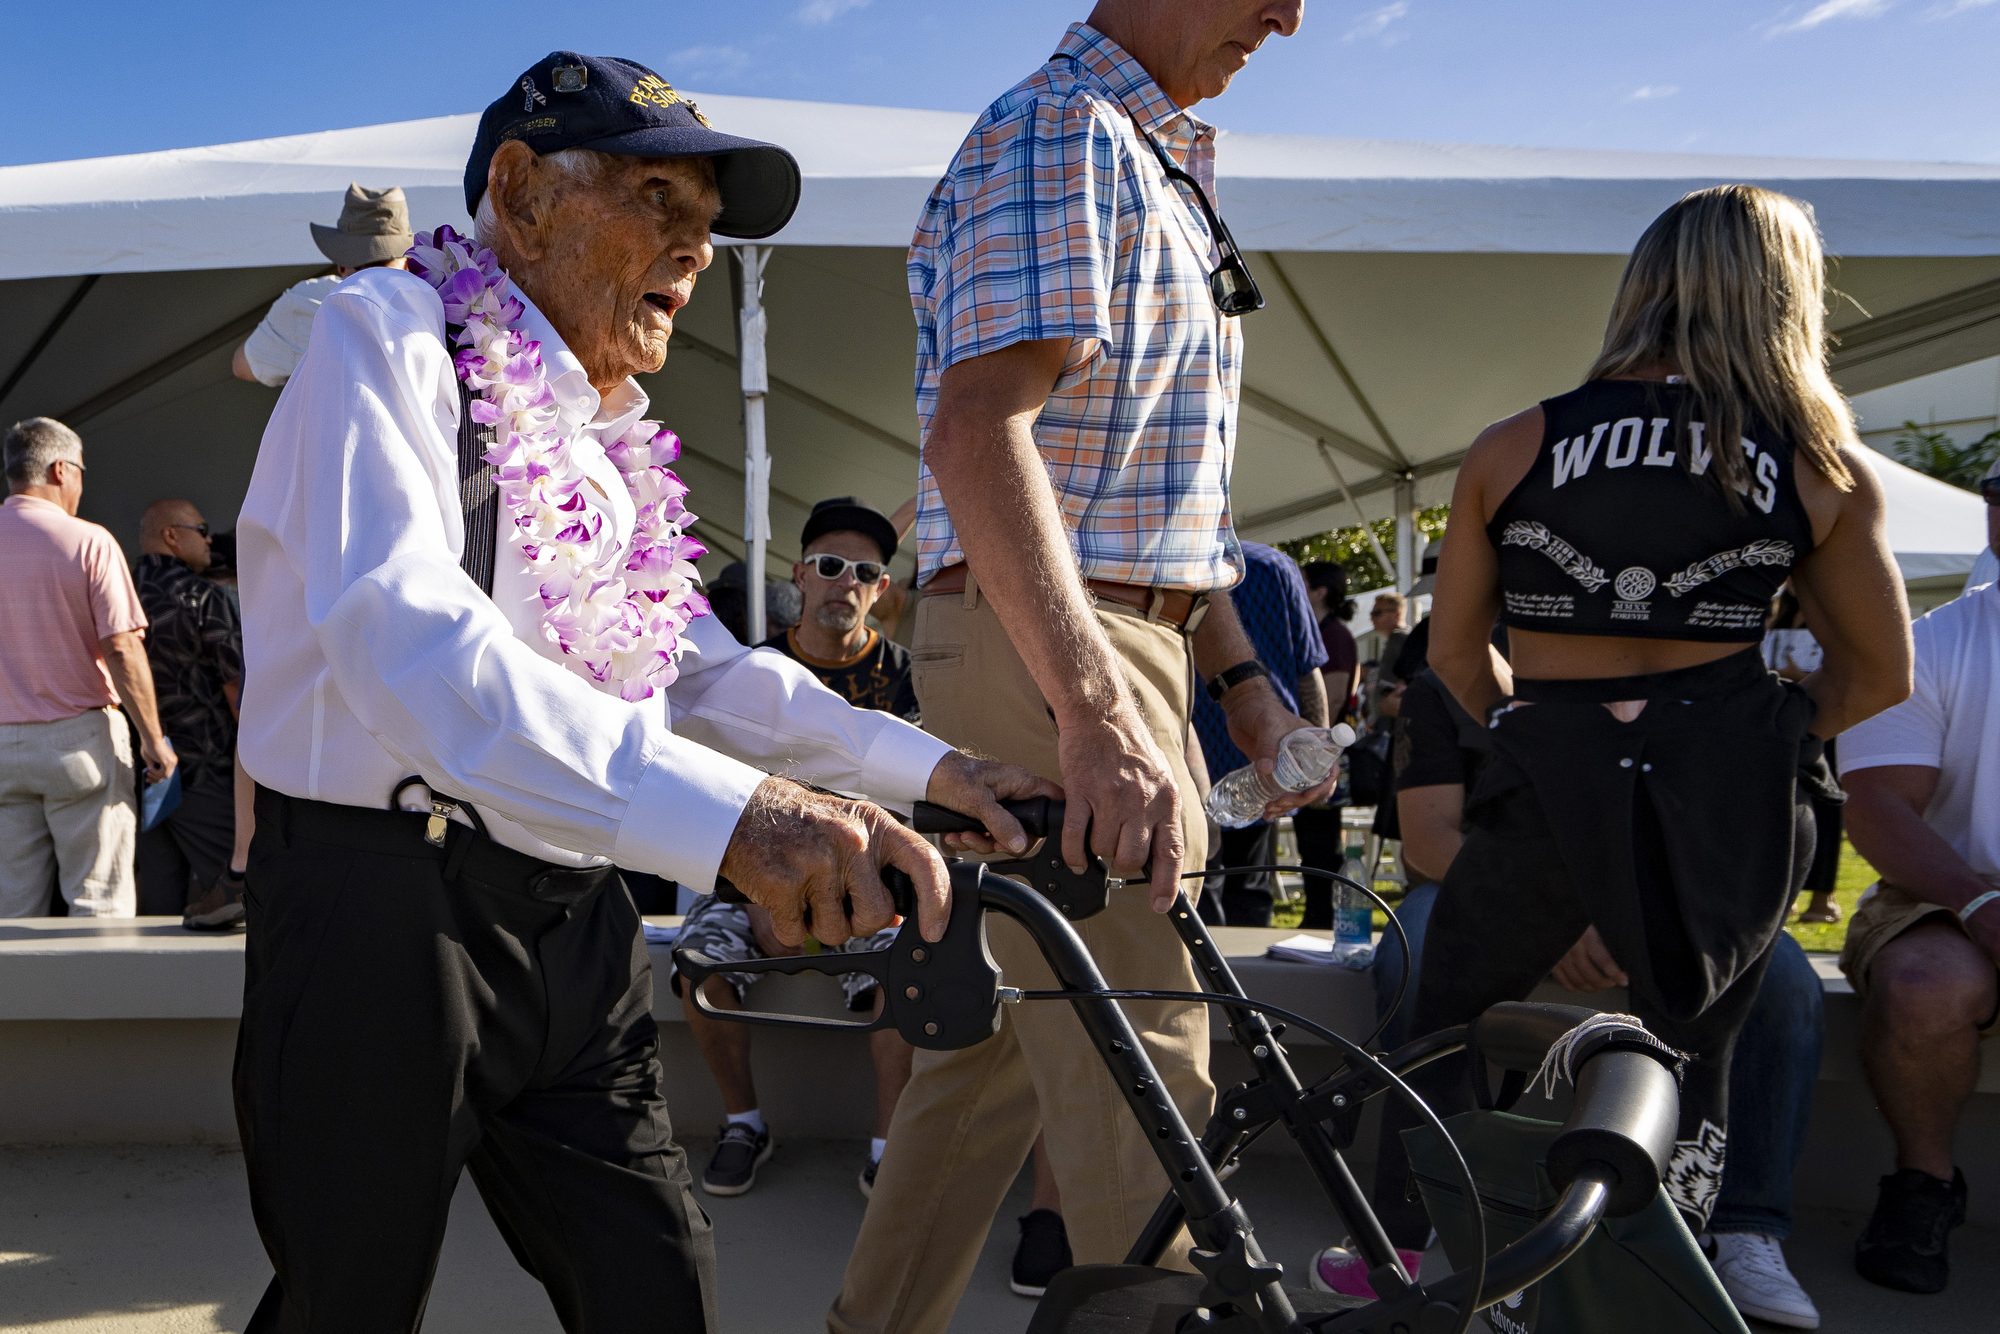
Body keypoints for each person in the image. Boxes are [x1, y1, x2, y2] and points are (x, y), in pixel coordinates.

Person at [230, 52, 1053, 1333]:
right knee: (349, 1296)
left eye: (706, 226)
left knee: (657, 1284)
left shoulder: (604, 438)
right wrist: (737, 824)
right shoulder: (382, 337)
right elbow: (408, 636)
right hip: (381, 918)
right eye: (660, 201)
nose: (698, 251)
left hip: (574, 918)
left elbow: (700, 671)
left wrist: (928, 769)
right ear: (521, 190)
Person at [831, 6, 1315, 1330]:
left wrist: (1242, 684)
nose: (1292, 13)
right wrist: (1099, 703)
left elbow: (1140, 492)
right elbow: (981, 433)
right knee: (1142, 1059)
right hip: (1061, 648)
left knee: (989, 1058)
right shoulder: (1067, 132)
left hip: (1078, 635)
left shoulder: (1141, 153)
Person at [1416, 184, 1911, 1245]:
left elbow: (1454, 659)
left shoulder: (1510, 446)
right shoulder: (1817, 467)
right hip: (1722, 790)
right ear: (1786, 295)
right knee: (1689, 1051)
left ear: (1643, 283)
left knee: (1438, 1024)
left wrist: (1545, 739)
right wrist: (1768, 729)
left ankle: (1422, 1248)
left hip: (1545, 774)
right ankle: (1668, 1261)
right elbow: (1876, 677)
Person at [1836, 456, 2000, 1295]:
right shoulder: (1928, 645)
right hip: (1942, 894)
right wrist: (1979, 901)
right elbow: (1878, 809)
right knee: (1925, 984)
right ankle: (1923, 1185)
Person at [0, 418, 175, 917]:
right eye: (80, 473)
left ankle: (14, 999)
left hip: (1, 745)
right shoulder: (89, 542)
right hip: (77, 740)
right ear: (60, 470)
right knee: (98, 905)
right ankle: (97, 998)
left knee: (9, 913)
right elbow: (121, 647)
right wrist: (153, 738)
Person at [1194, 543, 1327, 926]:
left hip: (1199, 744)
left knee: (1198, 883)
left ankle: (1210, 977)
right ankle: (1244, 979)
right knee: (1249, 882)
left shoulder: (1177, 555)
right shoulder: (1277, 565)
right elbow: (1309, 668)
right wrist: (1317, 750)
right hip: (1266, 749)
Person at [133, 500, 247, 923]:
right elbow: (236, 688)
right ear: (171, 536)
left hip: (141, 772)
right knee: (231, 891)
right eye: (200, 529)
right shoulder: (203, 596)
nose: (208, 539)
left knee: (157, 898)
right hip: (205, 770)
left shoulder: (116, 589)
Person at [231, 184, 414, 387]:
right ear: (407, 264)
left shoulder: (306, 300)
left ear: (341, 264)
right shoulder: (435, 307)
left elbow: (242, 366)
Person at [758, 497, 918, 721]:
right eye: (830, 565)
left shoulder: (907, 677)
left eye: (866, 571)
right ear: (801, 576)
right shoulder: (758, 668)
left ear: (879, 588)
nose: (848, 581)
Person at [1765, 586, 1843, 924]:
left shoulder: (1837, 611)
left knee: (1825, 807)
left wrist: (1801, 677)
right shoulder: (1778, 612)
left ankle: (1822, 900)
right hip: (1780, 719)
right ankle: (1788, 895)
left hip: (1824, 721)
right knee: (1781, 805)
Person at [1295, 560, 1358, 928]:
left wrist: (1310, 745)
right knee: (1309, 839)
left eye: (1300, 581)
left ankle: (1323, 916)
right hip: (1307, 752)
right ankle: (1315, 913)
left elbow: (1332, 699)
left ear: (1320, 591)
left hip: (1322, 754)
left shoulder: (1334, 635)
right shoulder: (1316, 630)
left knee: (1321, 842)